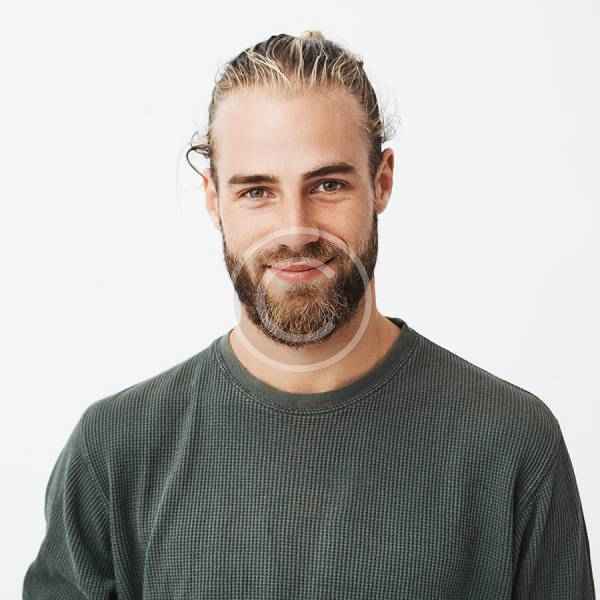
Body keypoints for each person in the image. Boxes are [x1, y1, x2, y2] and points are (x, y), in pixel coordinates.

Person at [23, 31, 595, 599]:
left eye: (327, 184)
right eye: (257, 191)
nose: (295, 229)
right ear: (212, 197)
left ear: (381, 182)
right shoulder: (114, 454)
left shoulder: (510, 443)